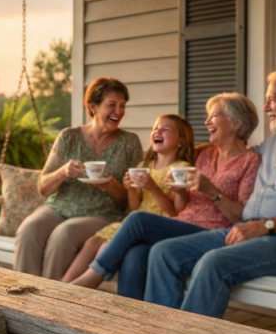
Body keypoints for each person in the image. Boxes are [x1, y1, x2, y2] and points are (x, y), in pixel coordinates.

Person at [144, 68, 276, 319]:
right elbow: (234, 149)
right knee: (164, 252)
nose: (266, 108)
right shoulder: (272, 145)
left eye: (272, 99)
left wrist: (265, 225)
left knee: (214, 263)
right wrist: (199, 149)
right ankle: (157, 333)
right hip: (248, 232)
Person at [68, 93, 262, 301]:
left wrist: (214, 193)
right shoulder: (205, 156)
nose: (206, 122)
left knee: (138, 220)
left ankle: (92, 276)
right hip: (182, 224)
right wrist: (179, 192)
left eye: (213, 116)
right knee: (135, 254)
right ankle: (128, 320)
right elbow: (182, 201)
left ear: (235, 122)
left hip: (212, 232)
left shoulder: (250, 161)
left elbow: (243, 216)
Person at [13, 77, 143, 280]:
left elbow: (135, 199)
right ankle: (22, 292)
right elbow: (43, 187)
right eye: (112, 105)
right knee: (29, 229)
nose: (118, 112)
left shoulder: (130, 143)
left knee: (64, 234)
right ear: (93, 106)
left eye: (122, 106)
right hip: (58, 207)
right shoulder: (68, 137)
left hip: (102, 214)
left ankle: (51, 301)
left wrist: (113, 187)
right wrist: (63, 171)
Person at [60, 114, 196, 283]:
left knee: (104, 247)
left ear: (181, 141)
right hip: (134, 222)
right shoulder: (143, 166)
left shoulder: (180, 169)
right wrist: (130, 189)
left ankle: (79, 287)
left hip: (159, 224)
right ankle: (62, 284)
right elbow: (135, 207)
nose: (157, 131)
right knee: (93, 242)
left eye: (165, 129)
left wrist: (153, 188)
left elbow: (174, 211)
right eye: (155, 128)